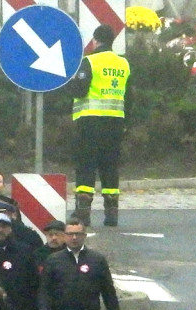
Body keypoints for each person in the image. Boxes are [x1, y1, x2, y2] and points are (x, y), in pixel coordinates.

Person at [70, 24, 130, 227]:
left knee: (86, 165)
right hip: (115, 122)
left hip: (90, 121)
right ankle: (111, 214)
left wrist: (72, 82)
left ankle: (83, 214)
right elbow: (129, 96)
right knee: (110, 166)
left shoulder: (90, 61)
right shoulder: (123, 64)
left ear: (95, 40)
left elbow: (79, 90)